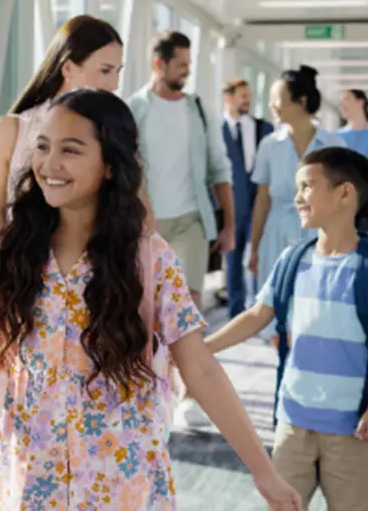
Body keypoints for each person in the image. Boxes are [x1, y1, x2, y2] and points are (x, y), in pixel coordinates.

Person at [0, 89, 301, 510]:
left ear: (109, 165)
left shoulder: (149, 258)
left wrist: (263, 472)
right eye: (43, 147)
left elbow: (200, 369)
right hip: (35, 484)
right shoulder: (18, 249)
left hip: (123, 486)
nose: (50, 164)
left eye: (71, 150)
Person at [0, 14, 125, 505]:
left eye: (118, 71)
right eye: (105, 70)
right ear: (68, 68)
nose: (114, 83)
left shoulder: (111, 135)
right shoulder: (12, 131)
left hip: (87, 305)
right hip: (14, 298)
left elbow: (133, 227)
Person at [203, 147, 368, 510]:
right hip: (293, 422)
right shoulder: (293, 259)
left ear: (345, 193)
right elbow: (255, 317)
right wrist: (201, 349)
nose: (297, 197)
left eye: (307, 187)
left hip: (352, 429)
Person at [127, 31, 236, 310]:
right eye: (181, 64)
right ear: (159, 64)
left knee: (188, 305)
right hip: (146, 222)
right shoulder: (134, 109)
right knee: (148, 306)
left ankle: (185, 355)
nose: (187, 71)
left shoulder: (198, 109)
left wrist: (229, 226)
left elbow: (219, 168)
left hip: (191, 221)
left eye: (189, 63)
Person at [248, 66, 345, 293]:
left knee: (316, 303)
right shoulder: (269, 145)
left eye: (276, 98)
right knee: (273, 307)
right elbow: (262, 201)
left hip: (320, 235)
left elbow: (343, 201)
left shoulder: (334, 145)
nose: (271, 105)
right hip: (276, 236)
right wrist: (254, 247)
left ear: (301, 101)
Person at [218, 78, 274, 318]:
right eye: (242, 95)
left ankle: (260, 309)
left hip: (259, 200)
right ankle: (236, 312)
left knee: (259, 254)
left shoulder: (263, 128)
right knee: (233, 258)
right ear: (228, 98)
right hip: (231, 203)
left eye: (249, 95)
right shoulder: (217, 130)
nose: (248, 100)